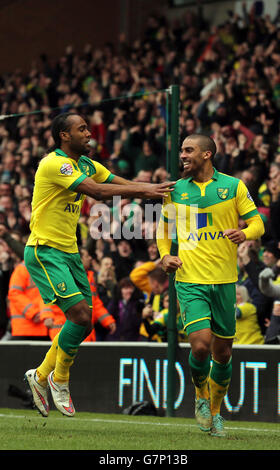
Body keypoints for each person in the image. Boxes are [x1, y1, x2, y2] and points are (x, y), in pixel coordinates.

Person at [23, 112, 174, 418]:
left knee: (85, 319)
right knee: (78, 315)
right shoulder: (56, 163)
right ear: (65, 136)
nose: (89, 133)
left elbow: (116, 181)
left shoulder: (87, 164)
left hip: (69, 252)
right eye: (82, 129)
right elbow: (97, 191)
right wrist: (144, 191)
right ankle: (59, 379)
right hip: (44, 250)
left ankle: (39, 376)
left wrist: (152, 187)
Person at [156, 133, 264, 437]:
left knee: (224, 354)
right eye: (182, 151)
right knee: (201, 345)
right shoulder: (175, 190)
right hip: (190, 280)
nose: (183, 156)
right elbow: (163, 229)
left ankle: (216, 411)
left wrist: (245, 233)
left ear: (207, 154)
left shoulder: (232, 186)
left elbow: (258, 223)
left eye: (189, 151)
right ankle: (201, 396)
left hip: (225, 280)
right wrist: (165, 255)